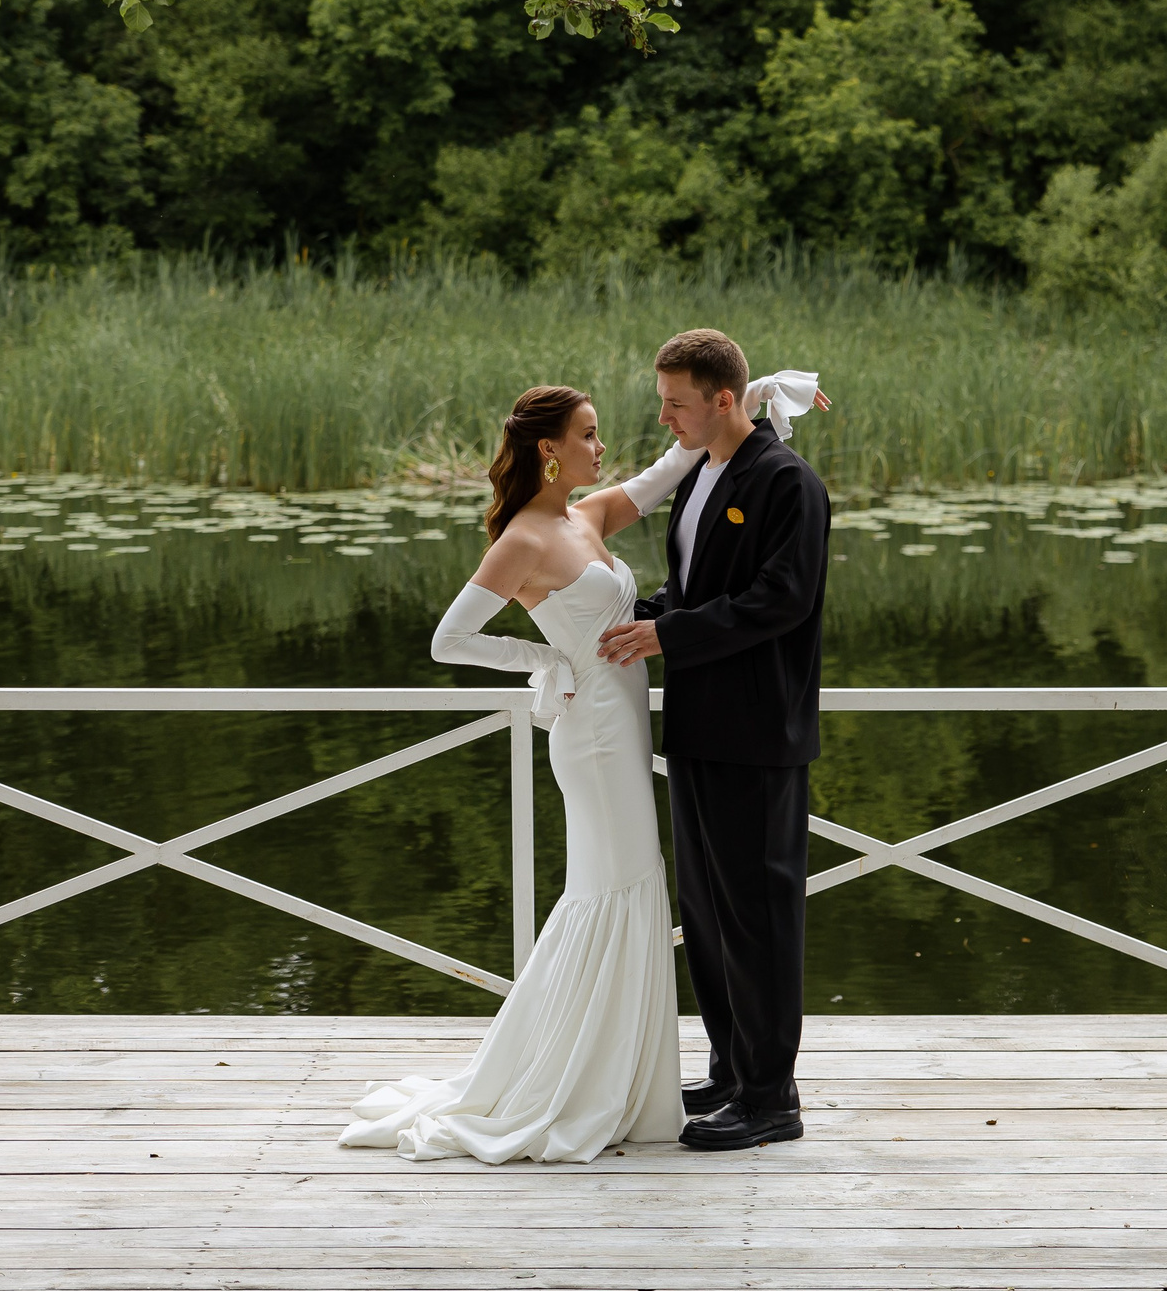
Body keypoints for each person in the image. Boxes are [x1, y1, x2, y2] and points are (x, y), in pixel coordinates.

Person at [337, 362, 823, 1164]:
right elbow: (449, 638)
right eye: (589, 435)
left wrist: (756, 396)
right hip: (593, 731)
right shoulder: (526, 535)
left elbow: (674, 469)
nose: (605, 444)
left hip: (628, 725)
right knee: (620, 887)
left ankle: (635, 1073)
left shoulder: (587, 514)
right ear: (550, 451)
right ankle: (591, 1075)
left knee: (635, 887)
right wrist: (547, 662)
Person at [596, 328, 833, 1153]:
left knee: (759, 915)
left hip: (760, 730)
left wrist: (671, 636)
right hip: (698, 723)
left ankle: (772, 1098)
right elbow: (694, 586)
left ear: (724, 400)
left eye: (676, 404)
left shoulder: (787, 482)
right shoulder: (706, 477)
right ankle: (734, 1070)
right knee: (707, 911)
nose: (664, 418)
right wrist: (645, 618)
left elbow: (782, 599)